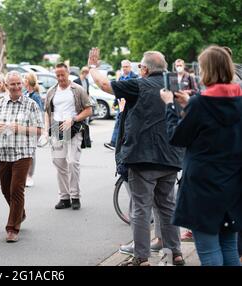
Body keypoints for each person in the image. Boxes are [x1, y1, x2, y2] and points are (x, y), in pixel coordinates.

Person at [89, 48, 184, 266]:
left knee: (140, 208)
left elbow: (104, 85)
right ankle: (175, 253)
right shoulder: (175, 86)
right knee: (168, 206)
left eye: (140, 66)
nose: (139, 70)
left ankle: (141, 258)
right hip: (170, 157)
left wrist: (93, 67)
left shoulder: (138, 85)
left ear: (146, 69)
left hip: (142, 158)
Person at [161, 45, 242, 266]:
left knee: (208, 251)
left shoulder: (201, 103)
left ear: (207, 70)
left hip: (203, 186)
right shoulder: (238, 100)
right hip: (233, 184)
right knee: (229, 247)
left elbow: (177, 137)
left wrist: (170, 106)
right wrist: (191, 106)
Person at [0, 71, 44, 242]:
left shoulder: (31, 104)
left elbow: (39, 130)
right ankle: (20, 212)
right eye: (12, 84)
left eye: (18, 84)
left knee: (16, 189)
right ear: (6, 86)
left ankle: (12, 228)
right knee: (5, 189)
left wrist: (19, 128)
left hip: (23, 152)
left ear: (22, 85)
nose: (15, 87)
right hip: (4, 152)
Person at [45, 63, 92, 210]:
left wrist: (73, 119)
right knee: (59, 162)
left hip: (74, 128)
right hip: (57, 128)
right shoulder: (51, 91)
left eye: (62, 75)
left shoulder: (78, 90)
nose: (60, 78)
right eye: (57, 75)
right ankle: (64, 197)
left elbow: (88, 110)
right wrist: (47, 130)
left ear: (68, 74)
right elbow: (47, 112)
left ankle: (75, 196)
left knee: (72, 162)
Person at [104, 60, 138, 151]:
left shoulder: (135, 77)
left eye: (126, 66)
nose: (125, 68)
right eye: (123, 67)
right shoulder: (121, 78)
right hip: (121, 105)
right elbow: (117, 92)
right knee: (118, 122)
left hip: (130, 105)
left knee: (128, 123)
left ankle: (124, 142)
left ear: (130, 67)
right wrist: (115, 103)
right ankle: (114, 142)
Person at [23, 72, 43, 187]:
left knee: (31, 152)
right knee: (25, 152)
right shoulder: (24, 93)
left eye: (25, 79)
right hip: (24, 127)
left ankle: (30, 176)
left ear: (29, 81)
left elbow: (39, 113)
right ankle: (25, 175)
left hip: (33, 127)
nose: (23, 80)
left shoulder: (35, 96)